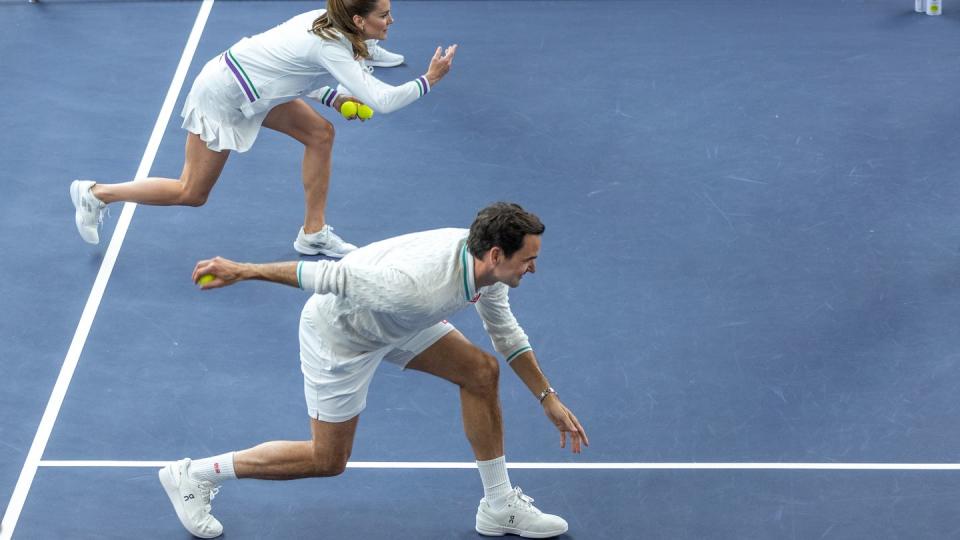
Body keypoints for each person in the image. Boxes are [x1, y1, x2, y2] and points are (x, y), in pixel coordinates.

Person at [158, 202, 589, 538]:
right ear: (496, 254)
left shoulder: (485, 270)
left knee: (480, 372)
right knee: (327, 459)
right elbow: (326, 276)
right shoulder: (416, 287)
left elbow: (506, 333)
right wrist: (244, 270)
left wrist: (547, 397)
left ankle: (498, 504)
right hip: (341, 335)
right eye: (528, 259)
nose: (534, 267)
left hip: (399, 322)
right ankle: (194, 474)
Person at [70, 0, 457, 258]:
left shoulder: (325, 24)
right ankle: (97, 193)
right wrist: (430, 79)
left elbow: (292, 73)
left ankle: (313, 233)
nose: (392, 20)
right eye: (384, 15)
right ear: (358, 21)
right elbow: (384, 101)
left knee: (320, 134)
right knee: (192, 191)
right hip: (224, 94)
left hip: (256, 89)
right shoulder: (331, 46)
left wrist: (334, 99)